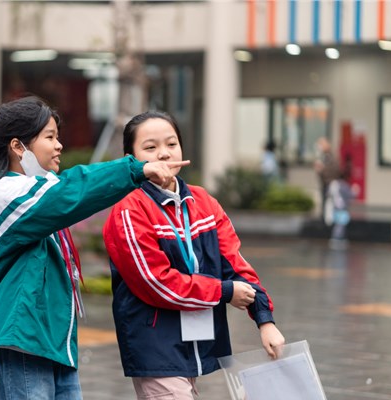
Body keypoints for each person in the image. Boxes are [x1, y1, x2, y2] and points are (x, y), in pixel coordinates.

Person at [0, 96, 189, 400]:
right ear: (18, 147)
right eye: (50, 137)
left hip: (52, 342)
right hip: (23, 341)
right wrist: (136, 169)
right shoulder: (6, 192)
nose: (59, 146)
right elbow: (72, 190)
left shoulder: (40, 191)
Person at [102, 110, 285, 400]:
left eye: (171, 143)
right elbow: (157, 283)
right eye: (150, 147)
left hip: (196, 341)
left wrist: (265, 320)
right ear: (131, 159)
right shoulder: (129, 209)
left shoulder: (203, 202)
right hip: (156, 345)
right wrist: (224, 291)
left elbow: (235, 264)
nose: (164, 153)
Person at [325, 170, 355, 249]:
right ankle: (336, 239)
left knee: (338, 224)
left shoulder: (333, 184)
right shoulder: (344, 185)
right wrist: (355, 191)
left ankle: (338, 238)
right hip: (342, 208)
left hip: (335, 208)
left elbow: (328, 194)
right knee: (340, 225)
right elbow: (350, 195)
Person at [314, 137, 339, 221]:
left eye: (320, 145)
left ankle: (328, 222)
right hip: (325, 183)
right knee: (325, 203)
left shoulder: (329, 157)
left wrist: (321, 169)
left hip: (329, 183)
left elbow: (333, 170)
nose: (319, 147)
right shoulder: (324, 156)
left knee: (329, 203)